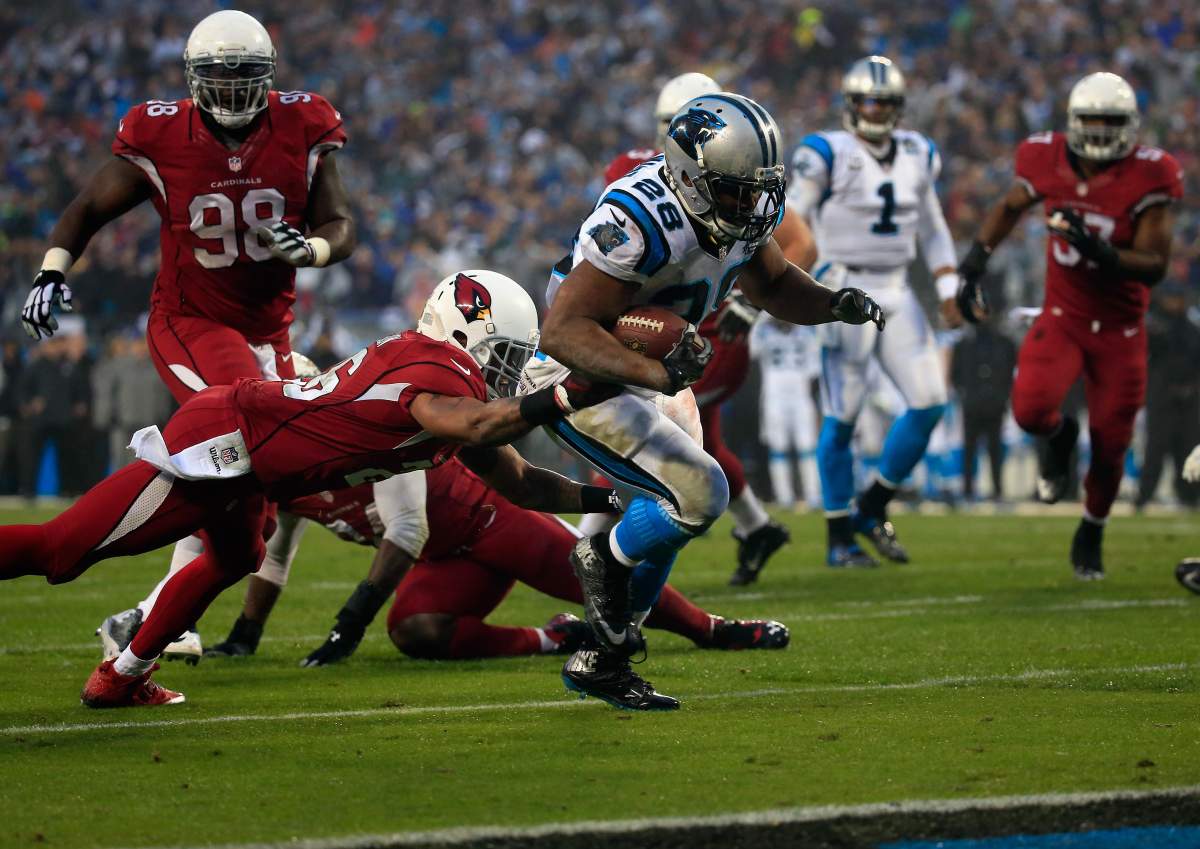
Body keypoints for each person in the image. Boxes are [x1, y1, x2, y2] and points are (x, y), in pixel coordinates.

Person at [0, 270, 617, 708]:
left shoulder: (457, 393)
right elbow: (478, 424)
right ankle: (123, 672)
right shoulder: (436, 367)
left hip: (254, 468)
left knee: (237, 556)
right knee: (62, 551)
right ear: (467, 332)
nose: (511, 369)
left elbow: (524, 484)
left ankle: (123, 675)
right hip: (226, 442)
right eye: (506, 353)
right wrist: (566, 396)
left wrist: (610, 498)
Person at [528, 91, 884, 710]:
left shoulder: (738, 212)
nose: (751, 205)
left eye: (757, 190)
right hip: (578, 371)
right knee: (701, 493)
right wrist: (652, 369)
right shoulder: (641, 216)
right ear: (690, 178)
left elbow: (773, 282)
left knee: (680, 512)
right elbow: (563, 330)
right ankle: (603, 558)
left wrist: (831, 304)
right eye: (735, 191)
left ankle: (604, 656)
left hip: (649, 373)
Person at [21, 9, 357, 658]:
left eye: (243, 76)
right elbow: (88, 207)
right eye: (217, 76)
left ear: (268, 77)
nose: (230, 89)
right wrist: (51, 269)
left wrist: (311, 249)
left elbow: (339, 222)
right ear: (192, 78)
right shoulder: (160, 133)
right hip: (192, 321)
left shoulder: (303, 122)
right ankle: (136, 599)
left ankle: (148, 616)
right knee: (250, 447)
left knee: (256, 497)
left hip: (270, 335)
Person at [195, 458, 788, 663]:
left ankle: (711, 630)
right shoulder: (287, 479)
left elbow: (406, 528)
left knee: (607, 584)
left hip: (494, 520)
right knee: (416, 631)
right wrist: (247, 632)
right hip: (444, 558)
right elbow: (273, 557)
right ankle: (556, 639)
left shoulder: (361, 441)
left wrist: (349, 622)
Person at [957, 71, 1182, 579]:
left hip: (1121, 328)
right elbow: (1010, 205)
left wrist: (1101, 252)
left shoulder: (1152, 173)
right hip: (1065, 316)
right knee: (1030, 409)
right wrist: (973, 265)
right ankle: (1060, 439)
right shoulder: (1045, 157)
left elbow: (1155, 265)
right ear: (1074, 122)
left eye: (1111, 122)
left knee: (1111, 445)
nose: (1100, 132)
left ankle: (1092, 528)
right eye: (1092, 121)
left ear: (1130, 125)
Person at [600, 72, 819, 586]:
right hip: (657, 333)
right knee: (699, 445)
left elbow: (799, 245)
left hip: (710, 337)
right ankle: (757, 528)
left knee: (643, 430)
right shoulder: (636, 174)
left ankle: (598, 549)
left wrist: (750, 304)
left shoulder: (737, 173)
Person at [788, 55, 960, 568]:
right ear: (851, 104)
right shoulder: (826, 152)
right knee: (842, 417)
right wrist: (794, 284)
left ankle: (872, 505)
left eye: (885, 103)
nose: (876, 111)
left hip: (898, 287)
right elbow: (792, 218)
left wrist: (948, 285)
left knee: (930, 402)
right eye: (868, 102)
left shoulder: (919, 152)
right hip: (844, 288)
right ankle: (838, 536)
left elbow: (932, 227)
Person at [1135, 282, 1200, 509]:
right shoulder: (1153, 326)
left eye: (1178, 298)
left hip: (1190, 397)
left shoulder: (1191, 328)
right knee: (1156, 448)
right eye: (1172, 298)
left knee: (1187, 446)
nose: (1175, 303)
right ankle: (1144, 496)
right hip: (1162, 397)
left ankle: (1189, 496)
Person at [749, 316, 821, 511]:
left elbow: (815, 369)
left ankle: (813, 495)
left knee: (807, 446)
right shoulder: (764, 332)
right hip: (774, 397)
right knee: (778, 447)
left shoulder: (807, 333)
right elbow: (751, 348)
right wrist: (763, 315)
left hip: (800, 395)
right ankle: (784, 497)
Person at [950, 316, 1017, 502]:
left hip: (994, 405)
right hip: (973, 405)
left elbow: (1010, 371)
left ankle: (997, 489)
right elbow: (956, 375)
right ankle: (968, 489)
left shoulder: (1005, 343)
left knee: (995, 449)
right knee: (970, 449)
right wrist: (966, 394)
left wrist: (1002, 395)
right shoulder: (964, 344)